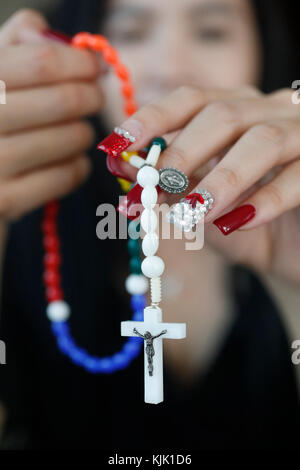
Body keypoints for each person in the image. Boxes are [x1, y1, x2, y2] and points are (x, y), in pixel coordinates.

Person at [0, 0, 299, 450]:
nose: (171, 70)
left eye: (211, 32)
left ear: (263, 50)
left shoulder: (288, 216)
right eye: (132, 33)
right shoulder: (22, 227)